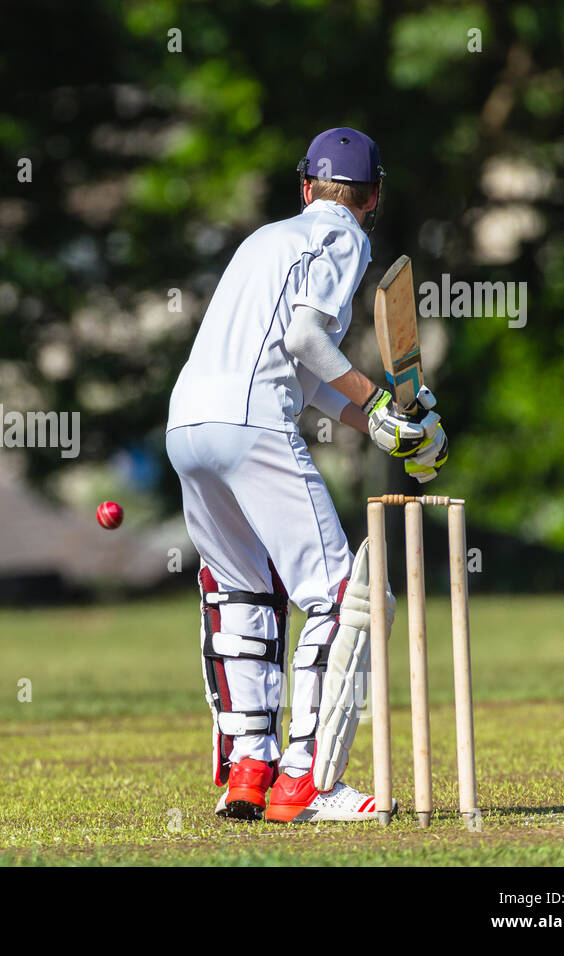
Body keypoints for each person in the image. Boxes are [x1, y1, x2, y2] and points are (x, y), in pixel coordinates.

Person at [164, 128, 448, 821]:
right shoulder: (344, 237)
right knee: (346, 594)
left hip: (188, 425)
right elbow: (304, 341)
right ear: (371, 196)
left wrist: (379, 426)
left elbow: (301, 370)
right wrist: (382, 400)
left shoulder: (262, 241)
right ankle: (309, 782)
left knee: (239, 593)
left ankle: (249, 771)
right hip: (253, 422)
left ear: (305, 186)